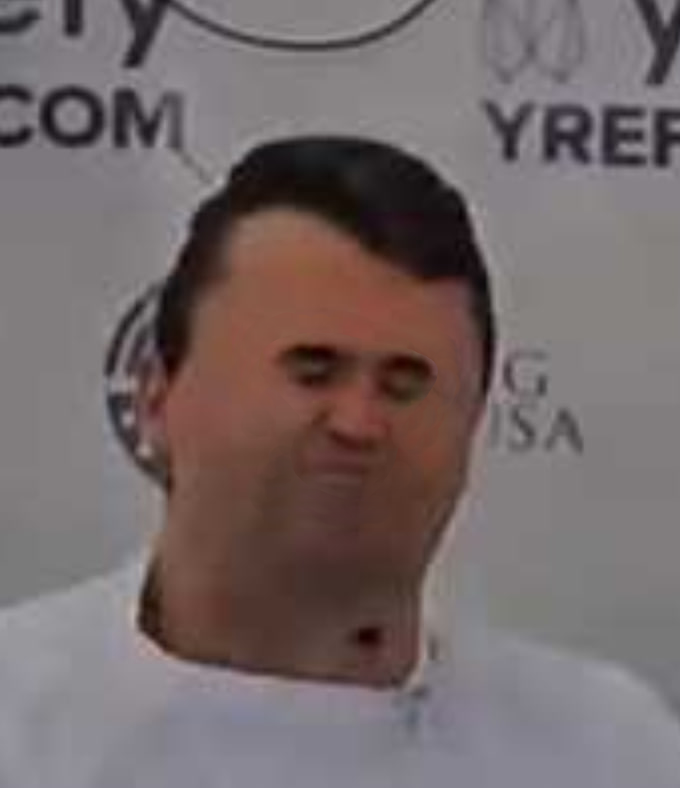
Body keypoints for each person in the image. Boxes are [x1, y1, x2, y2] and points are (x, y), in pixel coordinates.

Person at [0, 135, 679, 788]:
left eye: (405, 384)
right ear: (158, 400)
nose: (357, 423)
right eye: (313, 371)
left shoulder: (607, 749)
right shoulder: (19, 716)